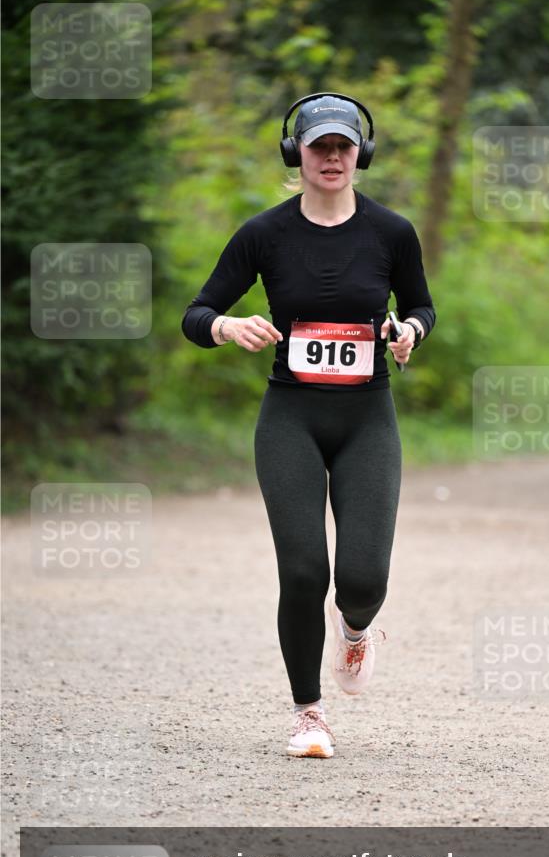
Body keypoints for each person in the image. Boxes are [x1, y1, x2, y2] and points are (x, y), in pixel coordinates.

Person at [181, 93, 436, 759]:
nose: (330, 156)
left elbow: (420, 307)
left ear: (361, 154)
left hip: (366, 421)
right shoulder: (264, 234)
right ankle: (308, 715)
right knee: (301, 572)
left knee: (361, 579)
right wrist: (225, 325)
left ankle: (355, 630)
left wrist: (407, 331)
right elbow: (197, 310)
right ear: (295, 153)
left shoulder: (391, 232)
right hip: (289, 417)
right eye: (317, 145)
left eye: (342, 146)